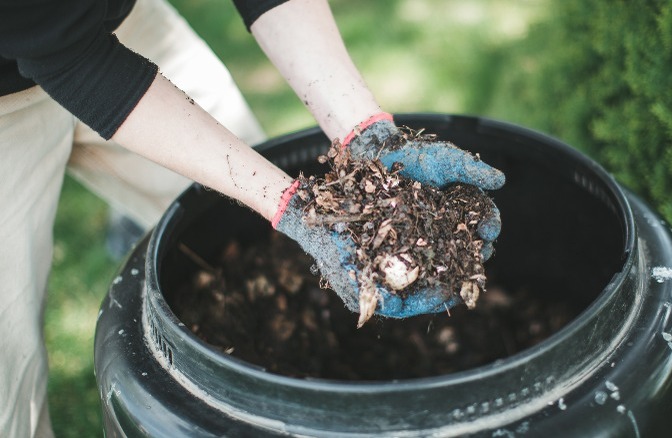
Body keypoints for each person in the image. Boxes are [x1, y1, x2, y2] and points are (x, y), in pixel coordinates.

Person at [0, 0, 504, 435]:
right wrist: (293, 206)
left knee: (252, 251)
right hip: (27, 76)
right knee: (9, 381)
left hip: (106, 26)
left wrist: (365, 132)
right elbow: (71, 58)